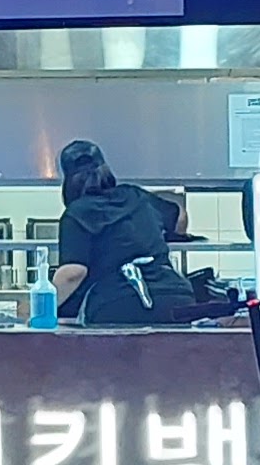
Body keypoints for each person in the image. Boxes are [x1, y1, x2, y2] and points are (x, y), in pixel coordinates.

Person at [48, 137, 178, 325]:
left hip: (119, 303)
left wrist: (39, 310)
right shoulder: (136, 195)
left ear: (68, 182)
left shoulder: (76, 214)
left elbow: (73, 274)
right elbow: (179, 217)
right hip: (174, 297)